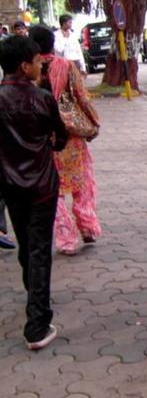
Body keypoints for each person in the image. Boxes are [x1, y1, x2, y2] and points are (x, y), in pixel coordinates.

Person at [0, 35, 68, 350]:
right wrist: (48, 145)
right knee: (39, 249)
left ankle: (34, 297)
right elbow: (60, 137)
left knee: (28, 246)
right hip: (41, 185)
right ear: (24, 65)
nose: (42, 65)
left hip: (10, 185)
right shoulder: (42, 98)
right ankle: (37, 325)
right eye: (38, 62)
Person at [30, 25, 102, 255]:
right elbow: (82, 97)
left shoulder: (29, 70)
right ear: (53, 42)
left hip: (42, 139)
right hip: (70, 136)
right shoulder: (66, 65)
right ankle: (87, 226)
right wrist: (93, 123)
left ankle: (66, 239)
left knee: (55, 192)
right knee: (81, 185)